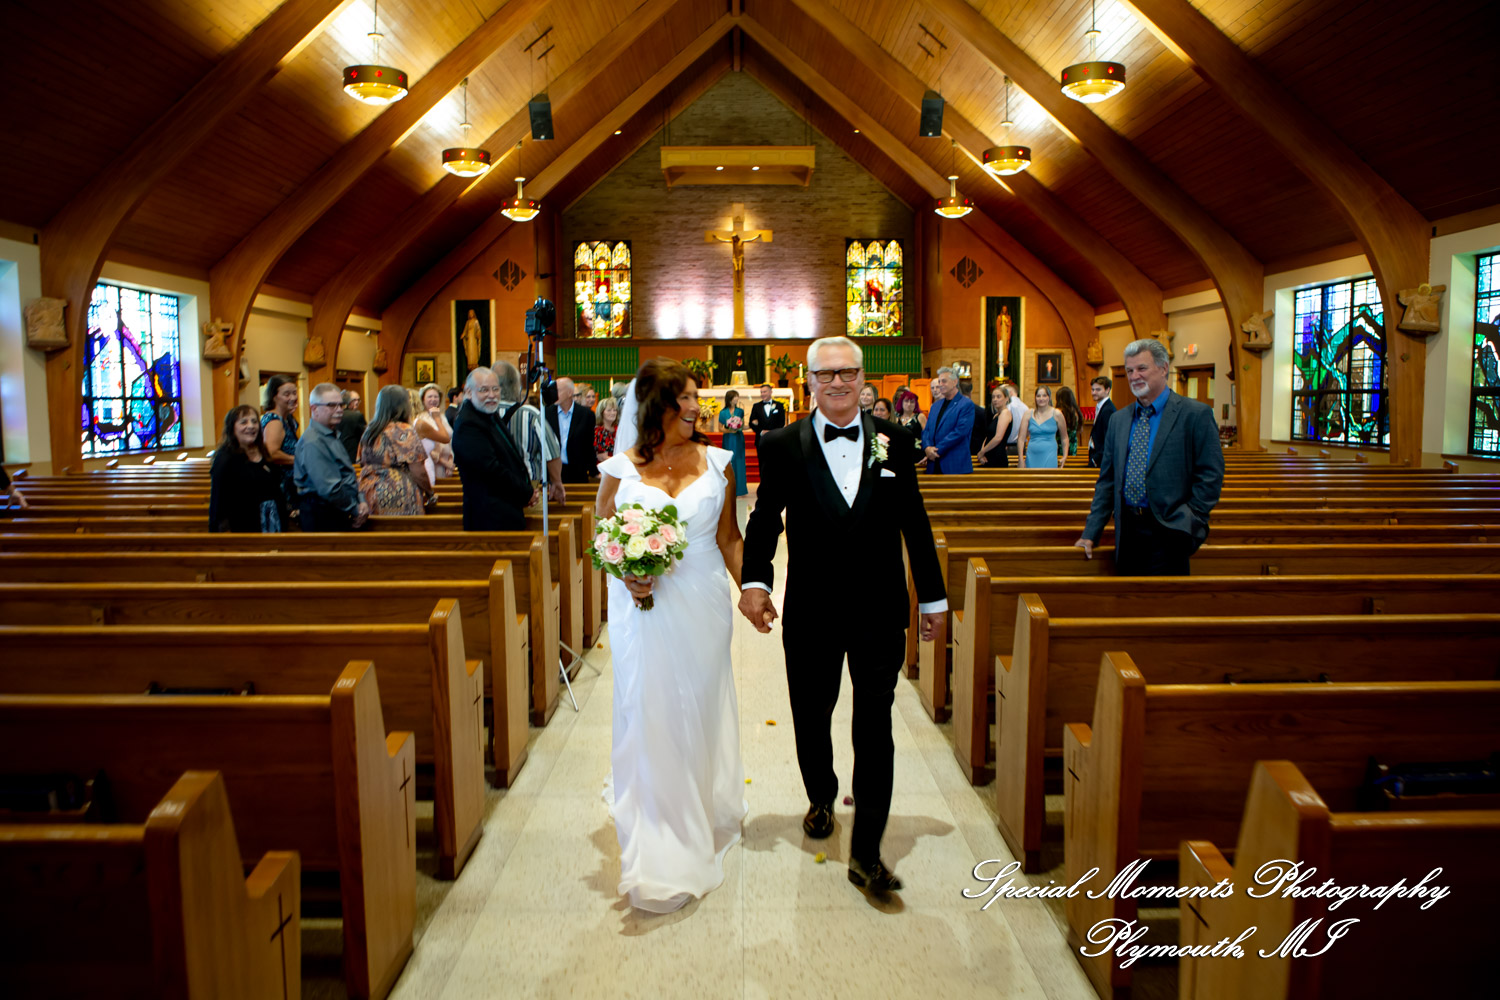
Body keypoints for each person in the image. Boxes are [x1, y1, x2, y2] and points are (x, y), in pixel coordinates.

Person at [739, 336, 947, 898]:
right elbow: (765, 518)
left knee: (875, 724)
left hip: (880, 608)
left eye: (847, 372)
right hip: (812, 609)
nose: (838, 382)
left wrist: (933, 599)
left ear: (862, 378)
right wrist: (755, 581)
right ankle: (822, 795)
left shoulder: (894, 442)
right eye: (826, 374)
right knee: (812, 714)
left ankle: (867, 852)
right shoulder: (782, 444)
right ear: (809, 381)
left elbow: (915, 521)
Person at [595, 359, 748, 912]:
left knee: (699, 706)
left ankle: (698, 805)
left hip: (703, 603)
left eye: (695, 397)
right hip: (643, 608)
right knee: (650, 704)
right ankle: (661, 828)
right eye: (683, 398)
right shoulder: (621, 468)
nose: (694, 407)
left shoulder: (719, 462)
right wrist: (626, 572)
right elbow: (605, 532)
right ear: (656, 405)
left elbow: (730, 539)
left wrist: (753, 591)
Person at [1076, 339, 1225, 575]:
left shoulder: (1194, 415)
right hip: (1127, 532)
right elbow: (1107, 482)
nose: (1134, 376)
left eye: (1142, 368)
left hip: (1172, 530)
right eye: (1129, 370)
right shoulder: (1119, 420)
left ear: (1163, 368)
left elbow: (1211, 475)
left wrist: (1190, 520)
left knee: (1167, 598)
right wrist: (1090, 533)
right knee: (1127, 596)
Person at [451, 367, 538, 530]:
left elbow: (509, 455)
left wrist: (526, 490)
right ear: (469, 392)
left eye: (495, 389)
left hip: (505, 510)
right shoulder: (468, 425)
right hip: (488, 516)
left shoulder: (488, 414)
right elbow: (491, 470)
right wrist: (525, 492)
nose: (491, 395)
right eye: (484, 390)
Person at [293, 382, 369, 531]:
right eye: (332, 405)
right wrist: (356, 509)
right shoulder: (313, 441)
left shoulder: (331, 435)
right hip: (322, 515)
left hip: (336, 511)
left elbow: (347, 474)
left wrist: (361, 500)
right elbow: (330, 488)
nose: (339, 410)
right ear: (314, 409)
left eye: (341, 405)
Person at [357, 385, 433, 516]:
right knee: (401, 528)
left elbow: (361, 462)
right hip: (396, 491)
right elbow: (418, 470)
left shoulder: (369, 430)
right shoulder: (403, 430)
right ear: (403, 405)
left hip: (367, 492)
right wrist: (429, 492)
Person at [208, 405, 285, 532]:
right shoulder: (225, 458)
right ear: (232, 427)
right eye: (244, 422)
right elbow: (217, 502)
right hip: (243, 528)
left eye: (254, 421)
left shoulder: (263, 451)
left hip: (271, 523)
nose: (251, 426)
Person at [497, 361, 564, 503]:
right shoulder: (530, 414)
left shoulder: (482, 415)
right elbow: (552, 452)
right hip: (528, 489)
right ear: (517, 386)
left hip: (491, 488)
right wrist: (556, 481)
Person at [921, 366, 976, 474]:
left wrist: (936, 450)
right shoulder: (935, 406)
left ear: (955, 382)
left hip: (954, 463)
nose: (940, 384)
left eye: (944, 381)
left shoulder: (965, 404)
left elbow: (960, 432)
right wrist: (927, 448)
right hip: (933, 463)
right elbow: (927, 430)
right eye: (939, 381)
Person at [545, 377, 598, 484]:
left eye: (558, 390)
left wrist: (594, 472)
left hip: (577, 473)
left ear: (570, 393)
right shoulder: (547, 413)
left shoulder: (586, 415)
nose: (554, 394)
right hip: (553, 473)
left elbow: (588, 446)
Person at [260, 374, 300, 513]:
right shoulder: (275, 421)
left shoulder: (287, 419)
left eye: (294, 393)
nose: (293, 397)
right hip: (282, 485)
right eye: (286, 394)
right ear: (274, 397)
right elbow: (272, 454)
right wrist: (300, 460)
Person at [1018, 386, 1068, 469]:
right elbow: (1021, 438)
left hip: (1050, 454)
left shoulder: (1057, 414)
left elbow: (1064, 438)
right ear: (1035, 398)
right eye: (1038, 396)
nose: (1041, 398)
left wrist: (1065, 456)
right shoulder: (1028, 414)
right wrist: (1020, 458)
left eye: (1044, 395)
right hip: (1032, 455)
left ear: (1049, 397)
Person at [414, 382, 455, 483]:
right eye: (430, 397)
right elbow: (423, 447)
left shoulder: (442, 417)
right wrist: (444, 462)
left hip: (447, 466)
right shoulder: (421, 419)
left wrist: (450, 460)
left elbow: (449, 440)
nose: (433, 399)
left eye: (436, 397)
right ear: (423, 399)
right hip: (433, 464)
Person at [717, 388, 748, 496]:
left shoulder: (740, 411)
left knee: (739, 462)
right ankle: (729, 489)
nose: (737, 398)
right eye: (735, 396)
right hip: (728, 439)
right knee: (729, 462)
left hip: (738, 438)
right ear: (730, 399)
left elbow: (743, 425)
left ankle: (740, 490)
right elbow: (720, 428)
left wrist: (751, 426)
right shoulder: (723, 412)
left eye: (737, 396)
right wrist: (730, 430)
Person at [976, 384, 1011, 467]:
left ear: (1006, 398)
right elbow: (988, 436)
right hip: (989, 454)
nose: (995, 399)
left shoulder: (1005, 413)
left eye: (998, 397)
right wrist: (982, 452)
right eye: (993, 397)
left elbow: (998, 437)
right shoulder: (996, 415)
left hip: (997, 456)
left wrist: (982, 452)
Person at [1087, 375, 1117, 469]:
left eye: (1098, 390)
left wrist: (1096, 459)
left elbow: (1109, 439)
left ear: (1107, 390)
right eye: (1092, 389)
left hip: (1101, 459)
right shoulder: (1101, 406)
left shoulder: (1108, 410)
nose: (1094, 393)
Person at [747, 383, 785, 453]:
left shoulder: (779, 405)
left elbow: (781, 422)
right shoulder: (756, 406)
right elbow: (751, 423)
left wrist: (772, 432)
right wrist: (761, 431)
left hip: (775, 439)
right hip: (760, 439)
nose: (762, 394)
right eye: (761, 392)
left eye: (764, 392)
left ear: (771, 392)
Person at [336, 389, 366, 461]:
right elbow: (365, 436)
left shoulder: (335, 415)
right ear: (349, 402)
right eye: (354, 400)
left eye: (358, 400)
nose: (357, 402)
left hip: (337, 454)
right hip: (353, 456)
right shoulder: (357, 416)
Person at [1055, 385, 1084, 457]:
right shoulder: (1076, 412)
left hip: (1060, 445)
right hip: (1072, 445)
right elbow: (1080, 430)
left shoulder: (1058, 412)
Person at [594, 395, 620, 466]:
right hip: (605, 467)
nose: (613, 413)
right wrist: (621, 462)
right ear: (601, 412)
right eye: (609, 410)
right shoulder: (599, 431)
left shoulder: (618, 428)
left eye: (615, 410)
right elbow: (602, 457)